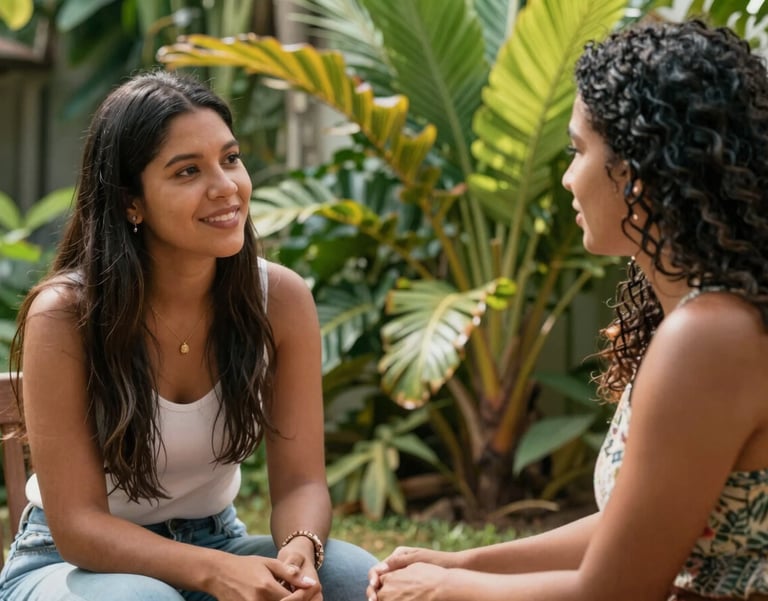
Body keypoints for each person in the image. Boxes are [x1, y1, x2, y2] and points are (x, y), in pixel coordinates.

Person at [367, 18, 768, 601]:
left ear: (637, 173)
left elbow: (616, 589)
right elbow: (637, 529)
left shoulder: (710, 337)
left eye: (578, 151)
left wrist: (447, 589)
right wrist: (466, 559)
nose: (566, 177)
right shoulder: (710, 314)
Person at [0, 69, 377, 601]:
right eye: (186, 171)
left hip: (215, 540)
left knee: (355, 579)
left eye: (230, 158)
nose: (226, 187)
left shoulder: (281, 301)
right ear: (132, 202)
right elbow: (80, 528)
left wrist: (298, 549)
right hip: (66, 563)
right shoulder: (65, 316)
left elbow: (301, 483)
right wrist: (211, 573)